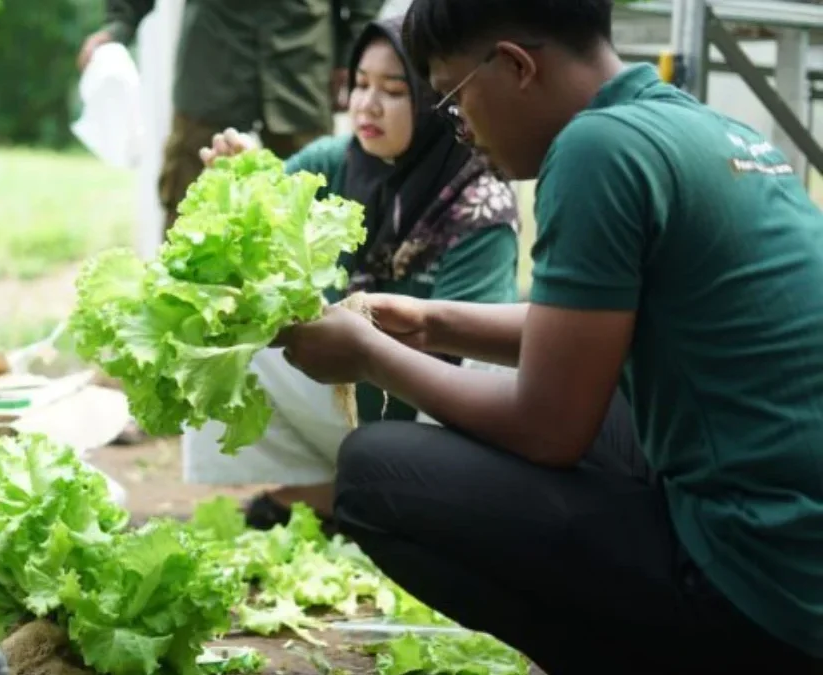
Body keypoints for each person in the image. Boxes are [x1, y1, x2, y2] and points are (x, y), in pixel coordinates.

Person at [274, 0, 823, 673]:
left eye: (452, 97)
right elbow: (593, 331)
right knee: (607, 393)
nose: (461, 128)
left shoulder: (595, 150)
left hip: (758, 592)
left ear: (514, 65)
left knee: (373, 472)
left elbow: (548, 426)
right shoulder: (699, 126)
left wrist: (367, 354)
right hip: (800, 557)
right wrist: (427, 321)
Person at [182, 15, 522, 533]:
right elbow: (261, 221)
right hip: (348, 386)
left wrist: (362, 340)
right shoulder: (333, 162)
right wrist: (242, 182)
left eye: (394, 90)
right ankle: (319, 496)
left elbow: (468, 355)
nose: (367, 105)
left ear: (435, 101)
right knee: (218, 323)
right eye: (360, 85)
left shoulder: (478, 203)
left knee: (488, 369)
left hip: (432, 404)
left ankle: (418, 509)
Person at [77, 0, 385, 236]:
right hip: (212, 58)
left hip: (301, 62)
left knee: (308, 214)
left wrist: (352, 50)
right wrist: (118, 25)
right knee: (188, 215)